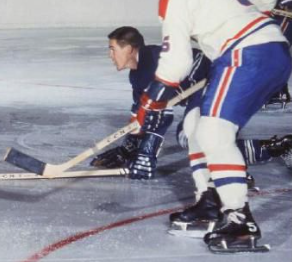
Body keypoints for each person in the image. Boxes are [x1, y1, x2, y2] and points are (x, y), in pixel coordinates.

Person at [143, 0, 291, 253]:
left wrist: (151, 98)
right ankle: (209, 201)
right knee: (196, 124)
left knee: (214, 132)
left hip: (246, 54)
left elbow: (177, 61)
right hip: (268, 49)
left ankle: (238, 219)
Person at [93, 27, 292, 175]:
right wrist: (128, 150)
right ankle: (277, 147)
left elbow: (161, 117)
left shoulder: (157, 58)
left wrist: (146, 155)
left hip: (213, 82)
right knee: (199, 140)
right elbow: (141, 117)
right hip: (199, 92)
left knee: (192, 137)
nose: (110, 55)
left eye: (112, 49)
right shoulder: (136, 77)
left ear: (128, 48)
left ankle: (242, 171)